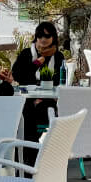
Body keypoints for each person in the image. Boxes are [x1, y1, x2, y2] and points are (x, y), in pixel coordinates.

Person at [10, 21, 66, 162]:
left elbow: (58, 82)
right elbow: (18, 76)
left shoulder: (58, 57)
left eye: (47, 36)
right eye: (40, 35)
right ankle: (27, 157)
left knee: (31, 117)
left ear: (53, 38)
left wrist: (42, 96)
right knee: (26, 115)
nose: (43, 39)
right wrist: (36, 64)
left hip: (48, 102)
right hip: (27, 100)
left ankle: (29, 158)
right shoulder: (26, 54)